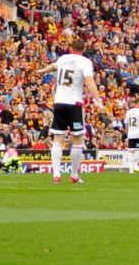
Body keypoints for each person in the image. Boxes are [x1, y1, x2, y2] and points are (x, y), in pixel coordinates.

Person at [38, 45, 101, 185]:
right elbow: (89, 81)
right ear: (83, 49)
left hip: (59, 102)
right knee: (77, 139)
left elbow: (52, 67)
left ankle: (56, 174)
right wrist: (97, 99)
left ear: (71, 48)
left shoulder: (64, 58)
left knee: (58, 139)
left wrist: (41, 71)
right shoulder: (85, 62)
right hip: (75, 104)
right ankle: (74, 175)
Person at [123, 98, 139, 173]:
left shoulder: (128, 112)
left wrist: (127, 134)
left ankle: (131, 170)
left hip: (131, 134)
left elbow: (126, 124)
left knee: (131, 151)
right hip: (138, 133)